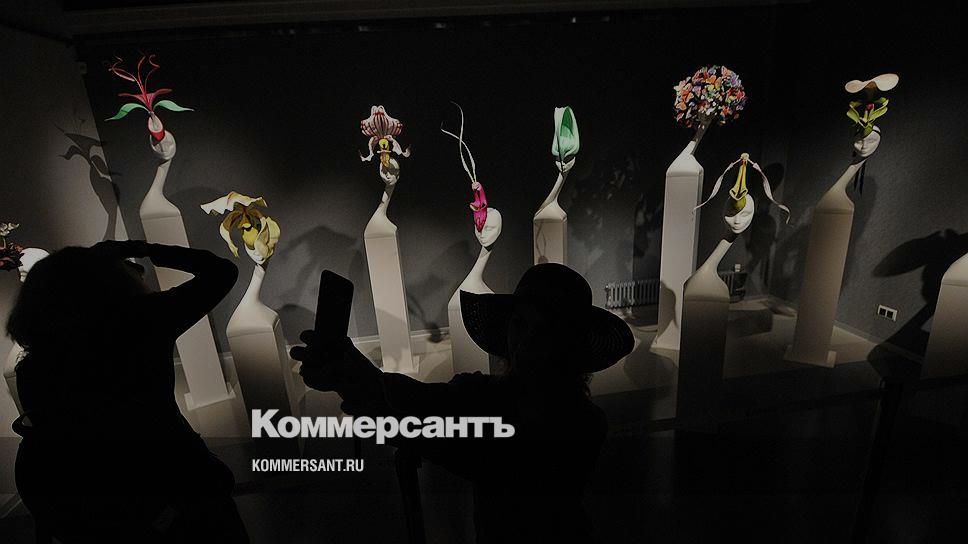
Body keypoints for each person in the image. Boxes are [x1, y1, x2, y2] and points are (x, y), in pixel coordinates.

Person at [291, 263, 634, 542]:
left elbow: (484, 449)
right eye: (519, 324)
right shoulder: (484, 394)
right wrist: (355, 378)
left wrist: (361, 381)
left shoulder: (585, 426)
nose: (525, 343)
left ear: (569, 345)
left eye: (544, 332)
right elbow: (428, 406)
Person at [7, 240, 249, 543]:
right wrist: (140, 248)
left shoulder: (32, 369)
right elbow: (221, 272)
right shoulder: (142, 322)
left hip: (98, 511)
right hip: (176, 481)